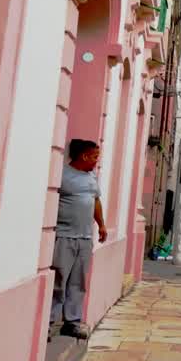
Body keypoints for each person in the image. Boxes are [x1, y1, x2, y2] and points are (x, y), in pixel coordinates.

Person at [52, 138, 107, 340]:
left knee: (78, 282)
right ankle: (48, 322)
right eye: (94, 157)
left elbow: (95, 201)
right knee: (58, 280)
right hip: (64, 236)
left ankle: (72, 323)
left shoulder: (91, 176)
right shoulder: (62, 175)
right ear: (83, 156)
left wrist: (101, 225)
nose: (96, 161)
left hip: (85, 238)